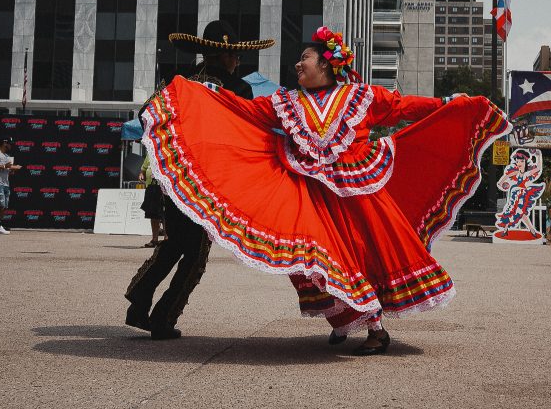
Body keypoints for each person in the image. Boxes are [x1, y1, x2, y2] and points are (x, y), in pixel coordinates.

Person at [138, 26, 511, 355]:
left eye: (304, 58)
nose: (298, 65)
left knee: (368, 258)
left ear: (326, 64)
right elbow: (243, 110)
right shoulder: (286, 103)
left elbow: (403, 108)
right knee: (313, 263)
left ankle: (377, 331)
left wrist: (449, 103)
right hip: (313, 200)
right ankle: (347, 320)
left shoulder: (360, 96)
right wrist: (193, 93)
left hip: (361, 195)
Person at [126, 20, 274, 340]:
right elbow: (249, 137)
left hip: (175, 180)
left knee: (175, 244)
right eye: (234, 56)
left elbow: (147, 114)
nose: (237, 62)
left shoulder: (178, 81)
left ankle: (139, 300)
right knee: (195, 256)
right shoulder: (239, 90)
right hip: (207, 185)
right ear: (223, 56)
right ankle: (164, 317)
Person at [0, 138, 21, 234]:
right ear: (4, 143)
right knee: (0, 204)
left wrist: (12, 170)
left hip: (5, 184)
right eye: (10, 144)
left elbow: (6, 171)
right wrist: (5, 166)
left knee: (4, 206)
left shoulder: (6, 156)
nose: (11, 146)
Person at [138, 156, 164, 248]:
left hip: (164, 188)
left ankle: (167, 240)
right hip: (151, 187)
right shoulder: (150, 151)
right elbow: (144, 168)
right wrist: (142, 173)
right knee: (153, 214)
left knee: (165, 214)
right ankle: (154, 239)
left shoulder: (168, 151)